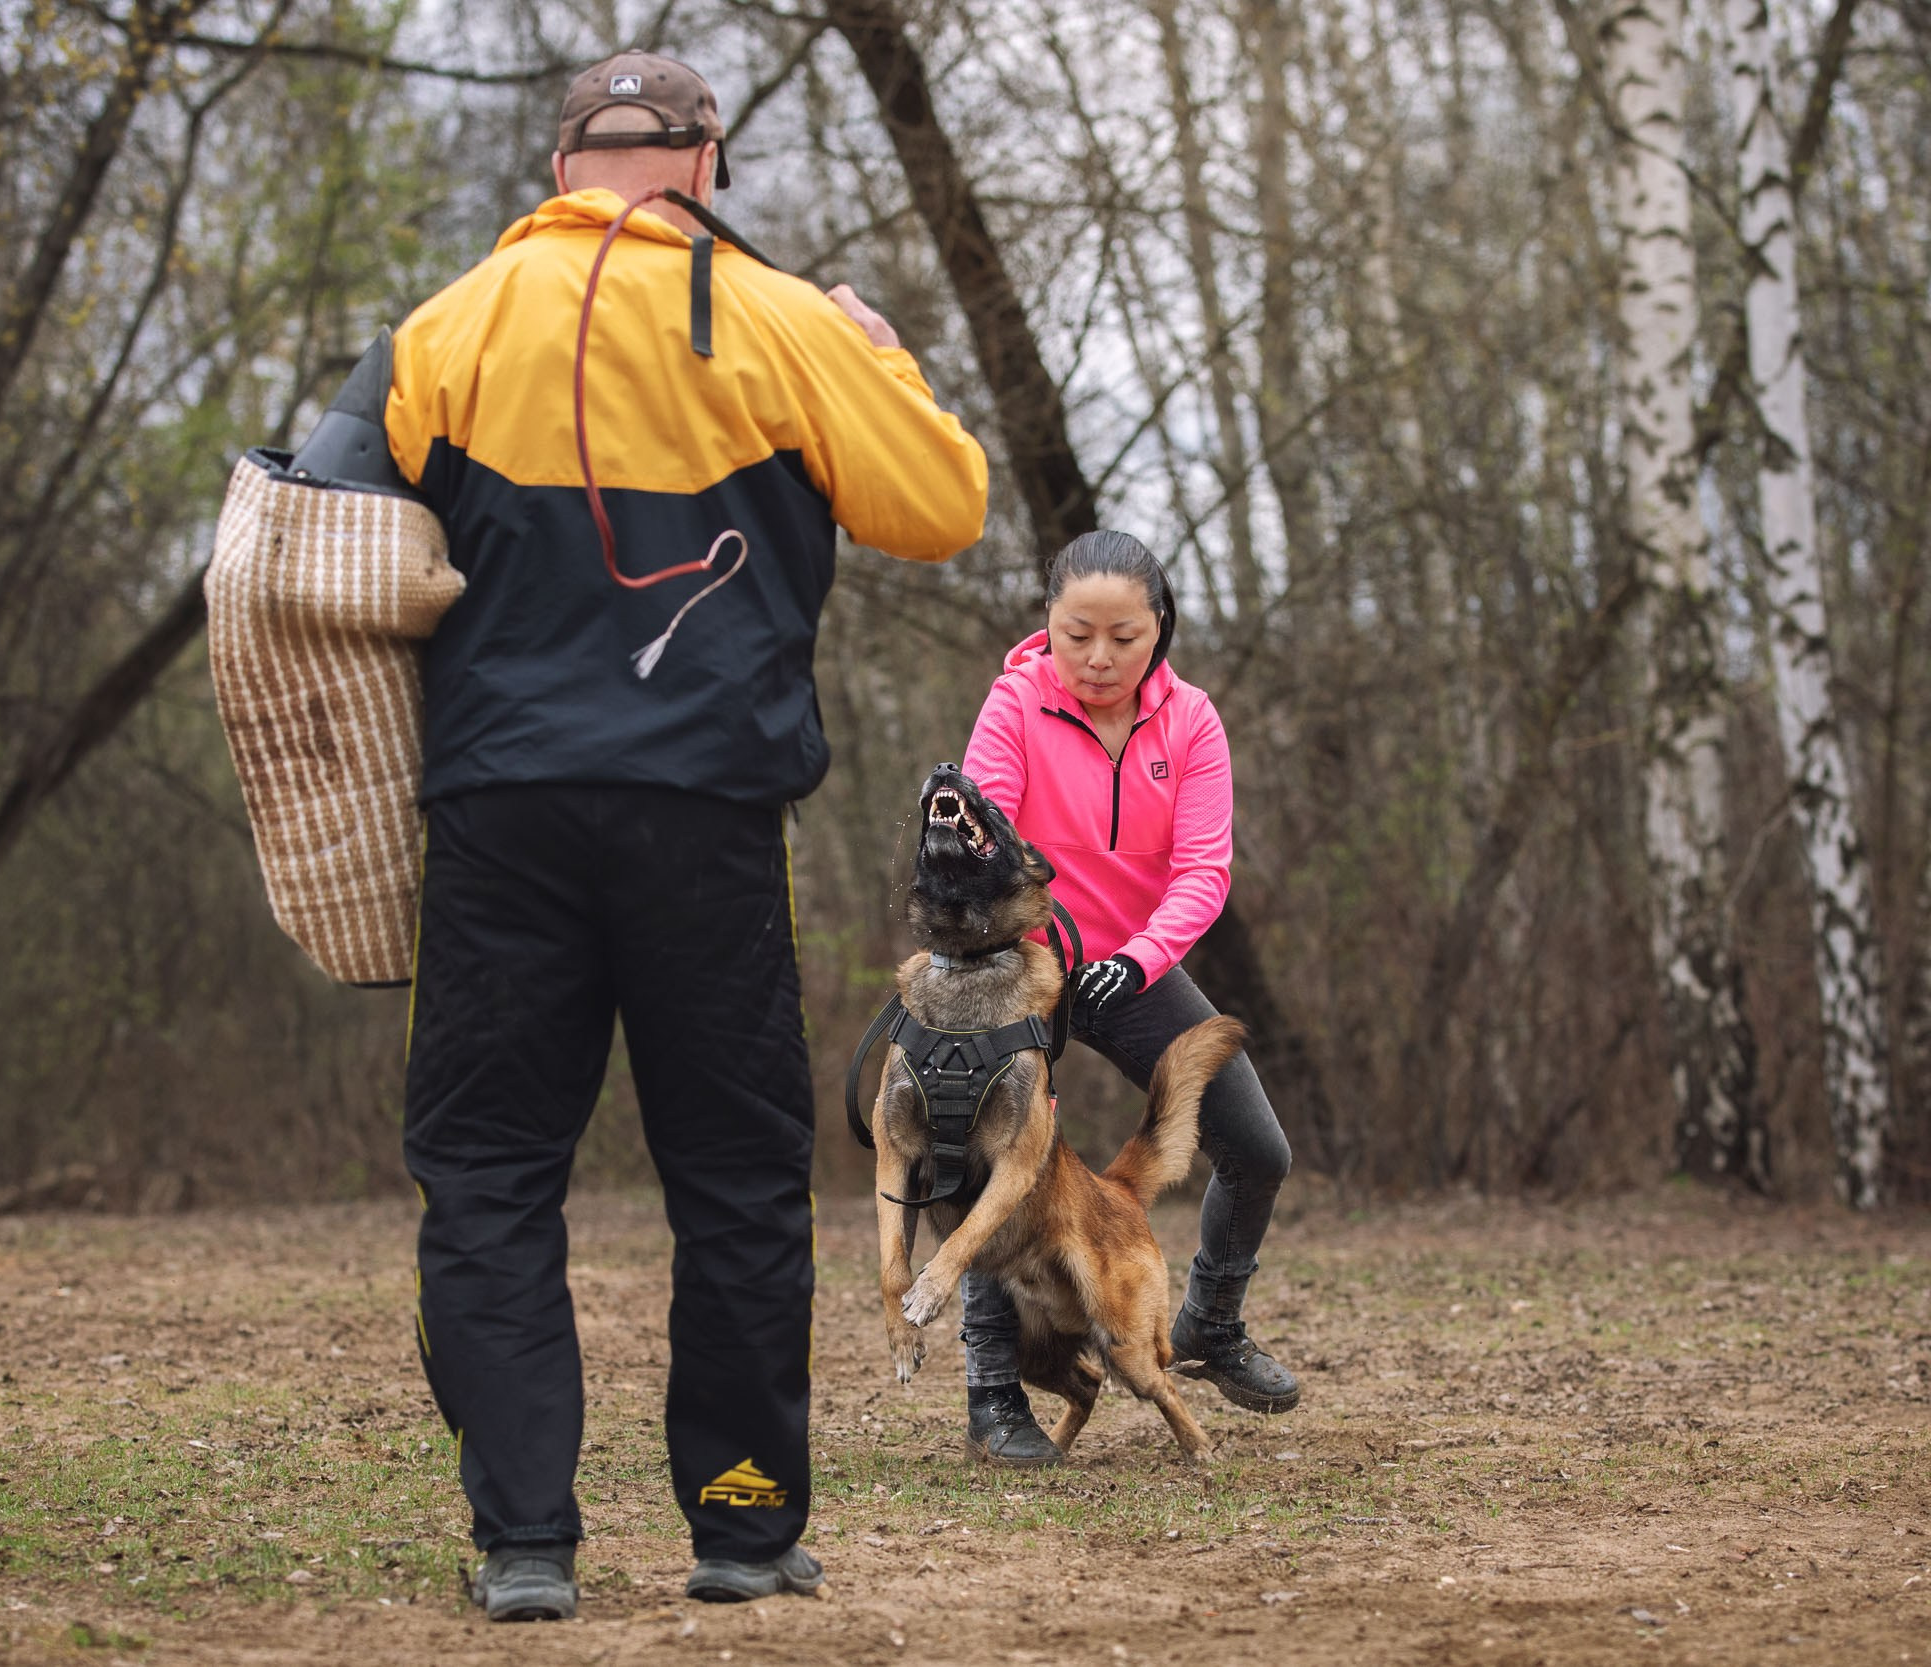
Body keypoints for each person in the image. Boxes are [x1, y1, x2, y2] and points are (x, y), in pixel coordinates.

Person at [384, 50, 989, 1621]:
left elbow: (337, 521)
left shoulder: (445, 327)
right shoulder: (787, 320)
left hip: (499, 811)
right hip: (708, 815)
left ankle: (525, 1540)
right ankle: (738, 1522)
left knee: (489, 1170)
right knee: (732, 1172)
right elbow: (945, 506)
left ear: (560, 168)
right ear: (706, 164)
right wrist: (882, 359)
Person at [956, 529, 1299, 1465]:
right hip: (1027, 966)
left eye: (1124, 636)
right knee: (1000, 1166)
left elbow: (1204, 869)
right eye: (1077, 635)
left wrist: (1142, 958)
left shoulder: (1192, 721)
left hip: (1134, 964)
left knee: (1257, 1149)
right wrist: (1019, 927)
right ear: (1049, 625)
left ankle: (1210, 1324)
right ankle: (995, 1395)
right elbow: (989, 834)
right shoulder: (1015, 702)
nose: (1099, 657)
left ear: (1161, 629)